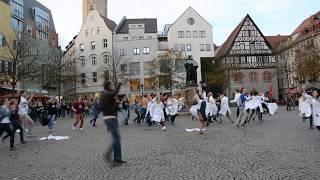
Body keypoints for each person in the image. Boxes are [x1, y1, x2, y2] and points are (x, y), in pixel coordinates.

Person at [100, 82, 126, 166]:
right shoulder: (107, 94)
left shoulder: (107, 96)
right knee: (117, 138)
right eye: (111, 85)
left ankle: (117, 158)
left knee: (117, 138)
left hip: (111, 118)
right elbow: (114, 93)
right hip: (110, 118)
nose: (112, 86)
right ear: (108, 86)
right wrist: (118, 85)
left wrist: (117, 105)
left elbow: (108, 106)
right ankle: (108, 155)